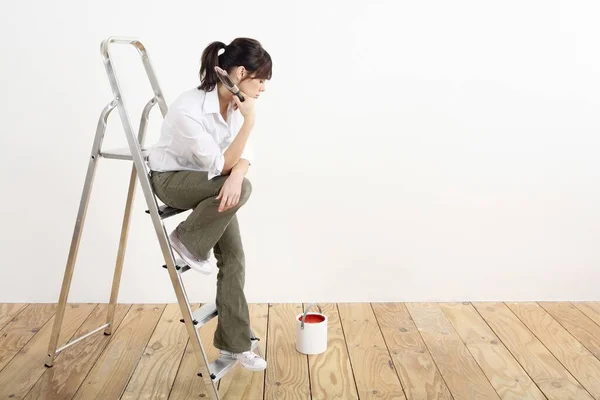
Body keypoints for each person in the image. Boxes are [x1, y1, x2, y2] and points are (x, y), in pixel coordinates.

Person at [147, 37, 272, 371]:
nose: (262, 89)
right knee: (241, 188)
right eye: (260, 81)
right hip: (172, 181)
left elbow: (244, 156)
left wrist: (236, 172)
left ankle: (234, 345)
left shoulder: (232, 103)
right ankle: (186, 239)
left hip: (211, 182)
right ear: (242, 72)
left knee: (234, 256)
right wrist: (249, 124)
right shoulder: (188, 108)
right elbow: (221, 163)